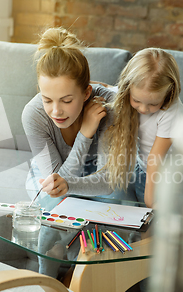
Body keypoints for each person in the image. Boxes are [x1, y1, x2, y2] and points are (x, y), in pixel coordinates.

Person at [39, 48, 183, 292]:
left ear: (170, 94)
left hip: (161, 173)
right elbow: (106, 91)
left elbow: (154, 163)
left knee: (153, 235)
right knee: (125, 221)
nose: (143, 109)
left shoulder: (173, 112)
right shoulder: (124, 97)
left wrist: (152, 210)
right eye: (137, 101)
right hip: (133, 167)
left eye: (153, 105)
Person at [21, 27, 115, 278]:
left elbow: (108, 181)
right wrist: (85, 135)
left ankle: (85, 282)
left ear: (86, 93)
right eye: (47, 99)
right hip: (47, 177)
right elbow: (54, 185)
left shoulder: (107, 107)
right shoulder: (33, 115)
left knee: (114, 208)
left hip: (93, 177)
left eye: (66, 100)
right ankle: (46, 284)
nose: (56, 111)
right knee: (53, 208)